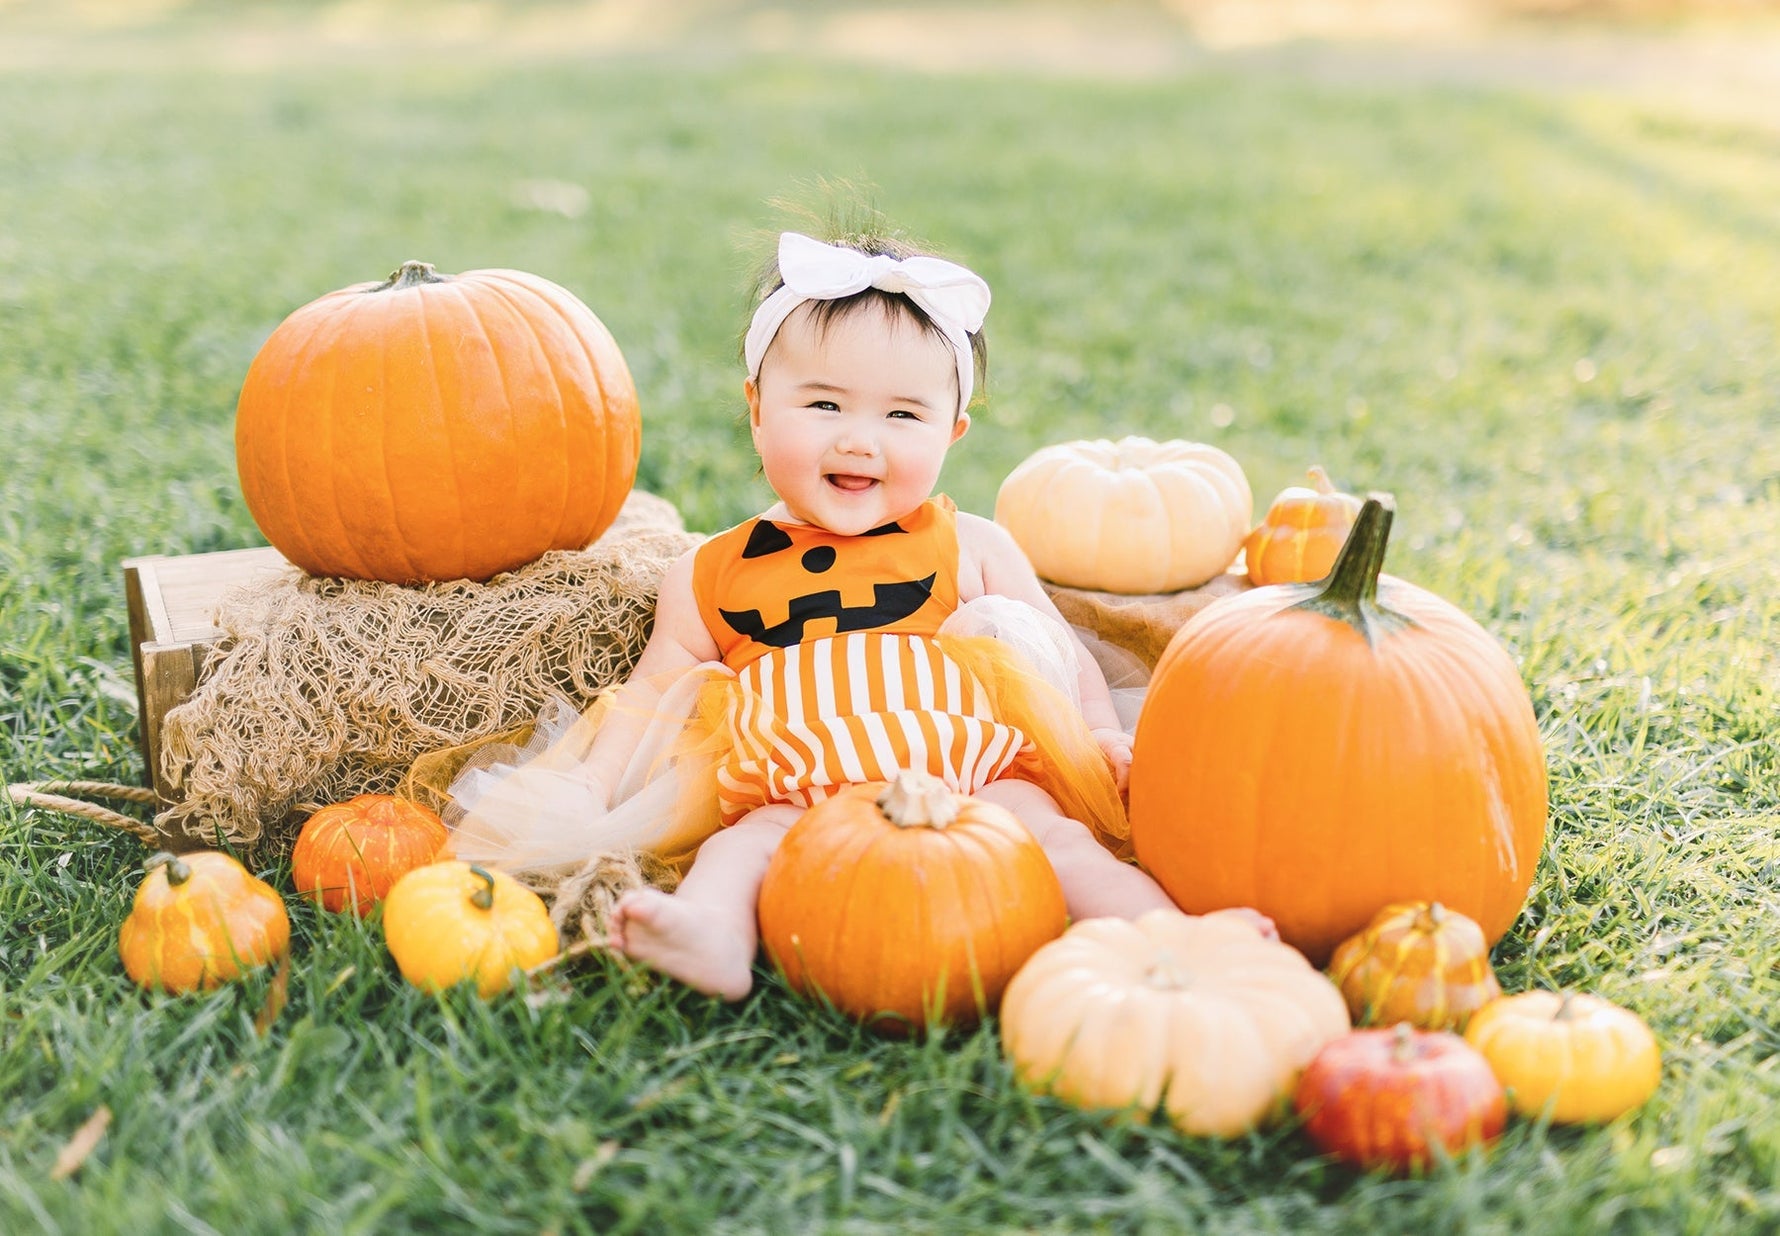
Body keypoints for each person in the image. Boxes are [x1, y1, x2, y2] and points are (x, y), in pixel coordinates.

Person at [448, 229, 1260, 1001]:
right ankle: (714, 936)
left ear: (953, 431)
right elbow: (655, 686)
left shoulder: (968, 543)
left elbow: (1059, 649)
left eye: (902, 416)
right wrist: (593, 776)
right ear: (758, 407)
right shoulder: (713, 570)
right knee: (741, 848)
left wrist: (1099, 733)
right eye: (825, 405)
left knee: (1059, 841)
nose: (859, 441)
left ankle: (1171, 933)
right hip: (798, 782)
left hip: (968, 766)